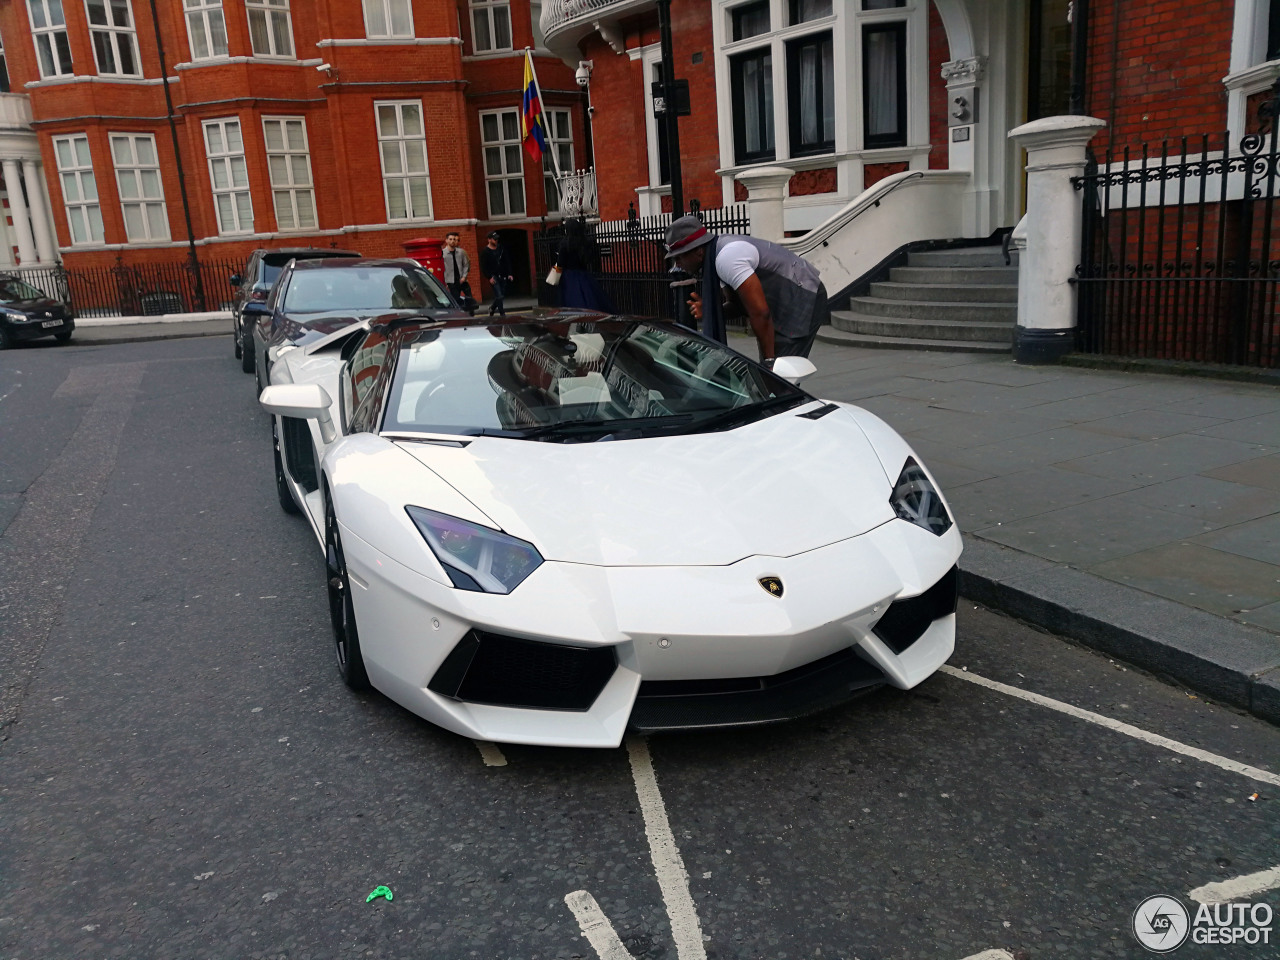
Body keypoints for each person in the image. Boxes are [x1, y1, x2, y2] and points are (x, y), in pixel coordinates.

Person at [664, 214, 830, 365]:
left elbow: (760, 313)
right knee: (772, 378)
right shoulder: (716, 256)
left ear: (699, 252)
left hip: (802, 298)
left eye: (679, 257)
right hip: (782, 302)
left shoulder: (727, 258)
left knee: (780, 376)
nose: (677, 264)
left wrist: (769, 362)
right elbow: (736, 305)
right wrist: (709, 310)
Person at [555, 218, 614, 313]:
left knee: (571, 299)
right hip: (583, 274)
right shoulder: (584, 242)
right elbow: (589, 259)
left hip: (569, 276)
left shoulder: (565, 244)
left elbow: (560, 262)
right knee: (590, 299)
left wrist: (555, 274)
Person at [479, 231, 515, 317]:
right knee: (498, 296)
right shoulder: (485, 252)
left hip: (503, 275)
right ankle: (502, 314)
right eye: (494, 239)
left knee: (501, 296)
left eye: (497, 239)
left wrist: (510, 273)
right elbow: (484, 266)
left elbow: (507, 261)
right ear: (489, 240)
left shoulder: (501, 248)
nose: (496, 241)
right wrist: (489, 277)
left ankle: (492, 308)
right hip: (493, 276)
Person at [442, 231, 472, 304]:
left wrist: (464, 277)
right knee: (456, 299)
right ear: (446, 240)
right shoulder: (442, 253)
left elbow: (466, 264)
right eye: (450, 239)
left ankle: (471, 313)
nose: (452, 241)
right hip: (451, 281)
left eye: (454, 239)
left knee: (470, 298)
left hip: (462, 279)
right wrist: (445, 282)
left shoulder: (461, 252)